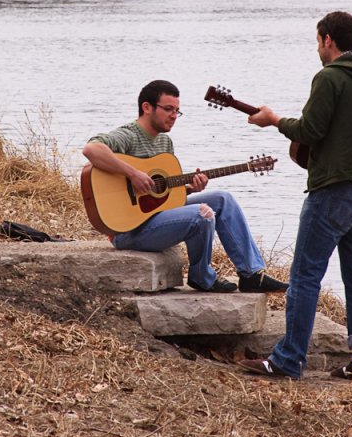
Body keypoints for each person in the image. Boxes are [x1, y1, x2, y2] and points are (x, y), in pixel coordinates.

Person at [241, 12, 352, 382]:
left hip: (333, 190)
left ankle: (288, 360)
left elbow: (310, 130)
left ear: (328, 39)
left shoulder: (329, 78)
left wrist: (274, 120)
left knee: (305, 275)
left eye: (317, 40)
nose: (317, 48)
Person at [83, 79, 288, 294]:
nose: (174, 116)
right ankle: (201, 276)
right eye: (168, 109)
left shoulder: (164, 143)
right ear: (147, 107)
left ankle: (252, 275)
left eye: (177, 111)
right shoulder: (128, 135)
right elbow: (91, 149)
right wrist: (133, 174)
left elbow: (161, 196)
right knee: (202, 214)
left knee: (222, 199)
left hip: (154, 217)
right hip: (127, 230)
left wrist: (189, 189)